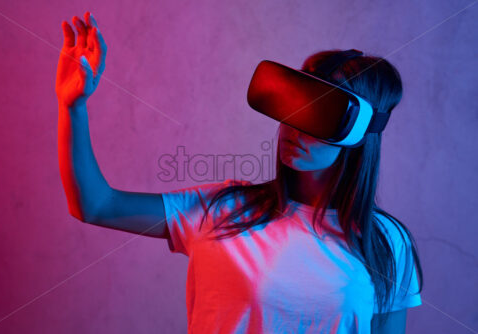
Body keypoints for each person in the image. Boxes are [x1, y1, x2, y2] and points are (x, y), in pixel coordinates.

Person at [56, 12, 423, 334]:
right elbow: (96, 205)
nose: (295, 131)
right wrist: (72, 108)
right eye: (293, 111)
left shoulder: (387, 243)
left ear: (359, 135)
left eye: (318, 117)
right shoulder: (220, 210)